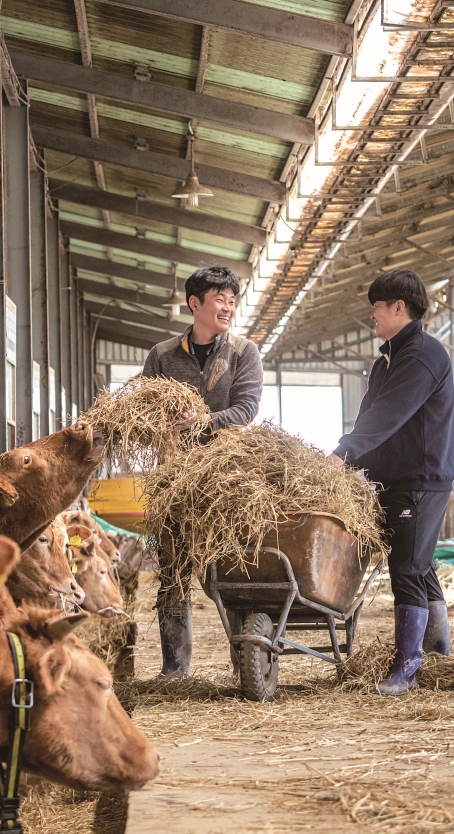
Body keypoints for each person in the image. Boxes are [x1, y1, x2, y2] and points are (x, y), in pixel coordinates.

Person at [327, 269, 454, 696]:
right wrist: (347, 461)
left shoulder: (422, 356)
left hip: (419, 478)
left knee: (407, 568)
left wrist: (343, 452)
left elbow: (390, 415)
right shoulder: (388, 360)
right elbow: (369, 417)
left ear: (399, 308)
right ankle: (439, 655)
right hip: (395, 478)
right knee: (419, 564)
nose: (372, 315)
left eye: (377, 307)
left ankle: (407, 669)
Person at [142, 266, 264, 678]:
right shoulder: (162, 356)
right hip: (174, 479)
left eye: (232, 300)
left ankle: (245, 665)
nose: (228, 306)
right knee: (173, 575)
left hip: (226, 479)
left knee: (235, 573)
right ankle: (175, 669)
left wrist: (204, 421)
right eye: (219, 299)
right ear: (195, 304)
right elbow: (146, 409)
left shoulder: (244, 352)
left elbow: (246, 409)